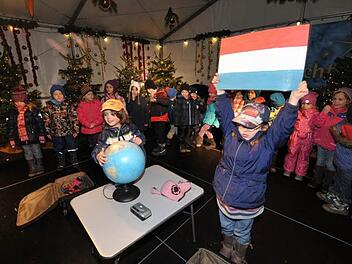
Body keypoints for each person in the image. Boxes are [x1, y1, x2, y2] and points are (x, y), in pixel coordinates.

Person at [213, 74, 308, 264]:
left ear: (263, 127)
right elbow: (225, 113)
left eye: (251, 125)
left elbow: (282, 127)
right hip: (223, 195)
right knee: (226, 225)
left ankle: (239, 254)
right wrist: (220, 90)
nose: (244, 129)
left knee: (242, 230)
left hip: (247, 200)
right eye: (241, 123)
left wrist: (293, 100)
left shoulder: (267, 143)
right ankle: (226, 245)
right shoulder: (232, 133)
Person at [308, 87, 352, 191]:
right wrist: (323, 113)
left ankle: (326, 185)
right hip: (321, 142)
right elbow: (317, 123)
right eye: (335, 98)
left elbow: (344, 133)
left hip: (334, 146)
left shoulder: (346, 116)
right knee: (319, 162)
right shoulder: (328, 110)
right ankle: (316, 181)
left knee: (330, 166)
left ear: (348, 101)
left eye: (340, 99)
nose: (336, 101)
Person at [316, 104, 352, 216]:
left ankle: (343, 204)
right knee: (338, 179)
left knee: (345, 184)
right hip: (341, 159)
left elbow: (348, 142)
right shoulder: (346, 122)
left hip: (348, 164)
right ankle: (334, 195)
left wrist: (336, 134)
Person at [6, 85, 45, 176]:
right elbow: (10, 126)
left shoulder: (32, 108)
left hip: (33, 135)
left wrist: (41, 134)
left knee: (36, 150)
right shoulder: (12, 111)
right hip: (21, 136)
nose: (19, 98)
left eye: (21, 95)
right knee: (27, 152)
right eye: (16, 96)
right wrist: (11, 138)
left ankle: (40, 166)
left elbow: (39, 122)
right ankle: (32, 167)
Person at [92, 99, 145, 166]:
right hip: (116, 165)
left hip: (133, 162)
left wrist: (140, 139)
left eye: (112, 114)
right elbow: (98, 147)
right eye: (105, 114)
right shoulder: (105, 134)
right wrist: (98, 155)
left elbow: (140, 135)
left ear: (121, 114)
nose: (108, 117)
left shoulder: (130, 128)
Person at [283, 92, 319, 181]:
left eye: (308, 103)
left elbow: (317, 128)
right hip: (296, 137)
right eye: (303, 103)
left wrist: (314, 140)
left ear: (313, 104)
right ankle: (288, 169)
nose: (305, 106)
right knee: (291, 153)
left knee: (304, 156)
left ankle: (300, 173)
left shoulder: (316, 115)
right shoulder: (298, 113)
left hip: (308, 138)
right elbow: (292, 122)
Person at [43, 85, 80, 170]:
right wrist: (48, 132)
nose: (58, 96)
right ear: (52, 95)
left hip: (69, 131)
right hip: (56, 133)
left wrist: (76, 130)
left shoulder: (68, 105)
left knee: (72, 146)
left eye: (60, 93)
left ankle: (74, 160)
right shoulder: (48, 108)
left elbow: (75, 118)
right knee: (58, 147)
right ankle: (61, 162)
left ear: (63, 94)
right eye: (56, 94)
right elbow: (46, 121)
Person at [145, 79, 169, 156]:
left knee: (161, 133)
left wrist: (156, 100)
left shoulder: (161, 93)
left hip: (161, 118)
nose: (148, 91)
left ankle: (162, 148)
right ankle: (159, 146)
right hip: (154, 118)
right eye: (147, 89)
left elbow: (166, 102)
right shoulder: (152, 94)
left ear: (152, 87)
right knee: (157, 134)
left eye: (149, 89)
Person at [77, 85, 104, 149]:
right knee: (91, 145)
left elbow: (101, 114)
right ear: (84, 96)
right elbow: (81, 117)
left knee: (99, 143)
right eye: (89, 94)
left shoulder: (98, 103)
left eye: (92, 94)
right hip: (87, 130)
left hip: (98, 128)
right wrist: (88, 124)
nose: (91, 96)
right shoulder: (81, 105)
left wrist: (95, 123)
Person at [195, 82, 219, 149]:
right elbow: (207, 110)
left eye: (212, 93)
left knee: (202, 130)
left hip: (212, 120)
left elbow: (217, 112)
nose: (210, 94)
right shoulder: (208, 100)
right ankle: (213, 143)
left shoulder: (217, 101)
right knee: (207, 131)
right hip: (207, 118)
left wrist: (215, 121)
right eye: (209, 93)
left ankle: (199, 141)